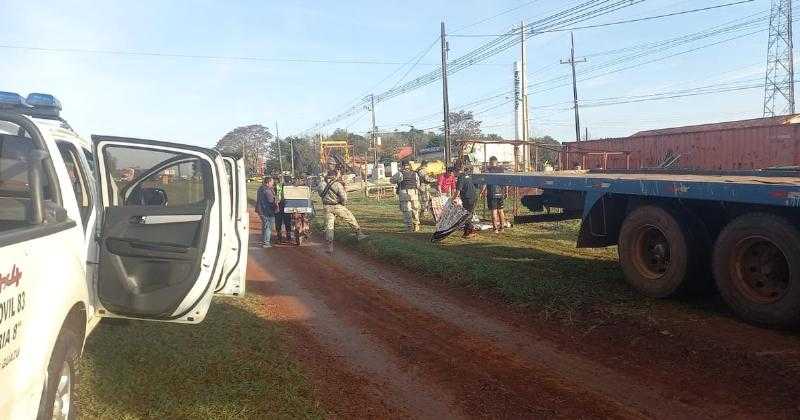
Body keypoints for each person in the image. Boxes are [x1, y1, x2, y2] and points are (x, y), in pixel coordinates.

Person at [318, 170, 367, 253]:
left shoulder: (321, 184)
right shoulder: (337, 184)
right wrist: (343, 204)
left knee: (329, 226)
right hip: (337, 206)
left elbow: (320, 194)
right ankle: (359, 234)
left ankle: (330, 247)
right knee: (350, 218)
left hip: (326, 207)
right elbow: (344, 197)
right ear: (335, 176)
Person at [390, 160, 421, 232]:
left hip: (404, 193)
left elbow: (391, 180)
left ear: (402, 166)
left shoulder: (399, 173)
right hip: (414, 193)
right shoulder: (415, 173)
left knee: (407, 210)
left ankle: (409, 227)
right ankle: (416, 225)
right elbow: (418, 184)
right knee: (415, 210)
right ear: (409, 166)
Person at [453, 159, 478, 238]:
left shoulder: (460, 178)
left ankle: (470, 232)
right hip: (473, 197)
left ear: (456, 171)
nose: (453, 174)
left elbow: (458, 191)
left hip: (468, 198)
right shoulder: (466, 175)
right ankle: (470, 230)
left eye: (454, 172)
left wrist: (452, 199)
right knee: (468, 214)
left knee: (466, 215)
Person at [485, 156, 507, 233]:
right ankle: (502, 228)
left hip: (492, 193)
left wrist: (482, 191)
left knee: (494, 211)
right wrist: (506, 191)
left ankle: (495, 229)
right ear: (496, 162)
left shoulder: (488, 170)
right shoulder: (501, 170)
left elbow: (485, 182)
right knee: (501, 210)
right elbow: (505, 181)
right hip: (500, 192)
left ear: (490, 162)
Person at [255, 177, 277, 248]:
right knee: (268, 227)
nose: (273, 183)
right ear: (268, 182)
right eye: (272, 182)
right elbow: (271, 201)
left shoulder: (261, 188)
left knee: (265, 226)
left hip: (261, 210)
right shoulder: (267, 190)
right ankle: (266, 243)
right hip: (267, 211)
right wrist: (276, 202)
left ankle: (264, 241)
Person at [274, 175, 293, 243]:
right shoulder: (276, 187)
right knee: (280, 222)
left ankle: (288, 236)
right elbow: (275, 196)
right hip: (279, 206)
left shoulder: (288, 186)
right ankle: (280, 237)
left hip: (285, 206)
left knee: (287, 221)